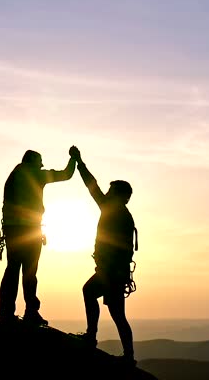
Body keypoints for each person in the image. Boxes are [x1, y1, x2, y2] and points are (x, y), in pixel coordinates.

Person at [70, 146, 137, 366]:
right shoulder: (123, 215)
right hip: (114, 271)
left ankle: (94, 338)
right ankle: (126, 355)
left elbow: (92, 187)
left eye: (111, 191)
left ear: (119, 196)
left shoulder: (113, 210)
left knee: (97, 298)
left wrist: (79, 161)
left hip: (111, 272)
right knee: (114, 311)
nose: (106, 194)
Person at [0, 147, 76, 326]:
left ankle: (6, 311)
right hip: (29, 230)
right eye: (40, 164)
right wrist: (73, 158)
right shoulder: (35, 174)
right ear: (34, 162)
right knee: (30, 272)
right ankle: (31, 311)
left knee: (12, 270)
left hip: (12, 230)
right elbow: (66, 174)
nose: (41, 168)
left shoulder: (14, 175)